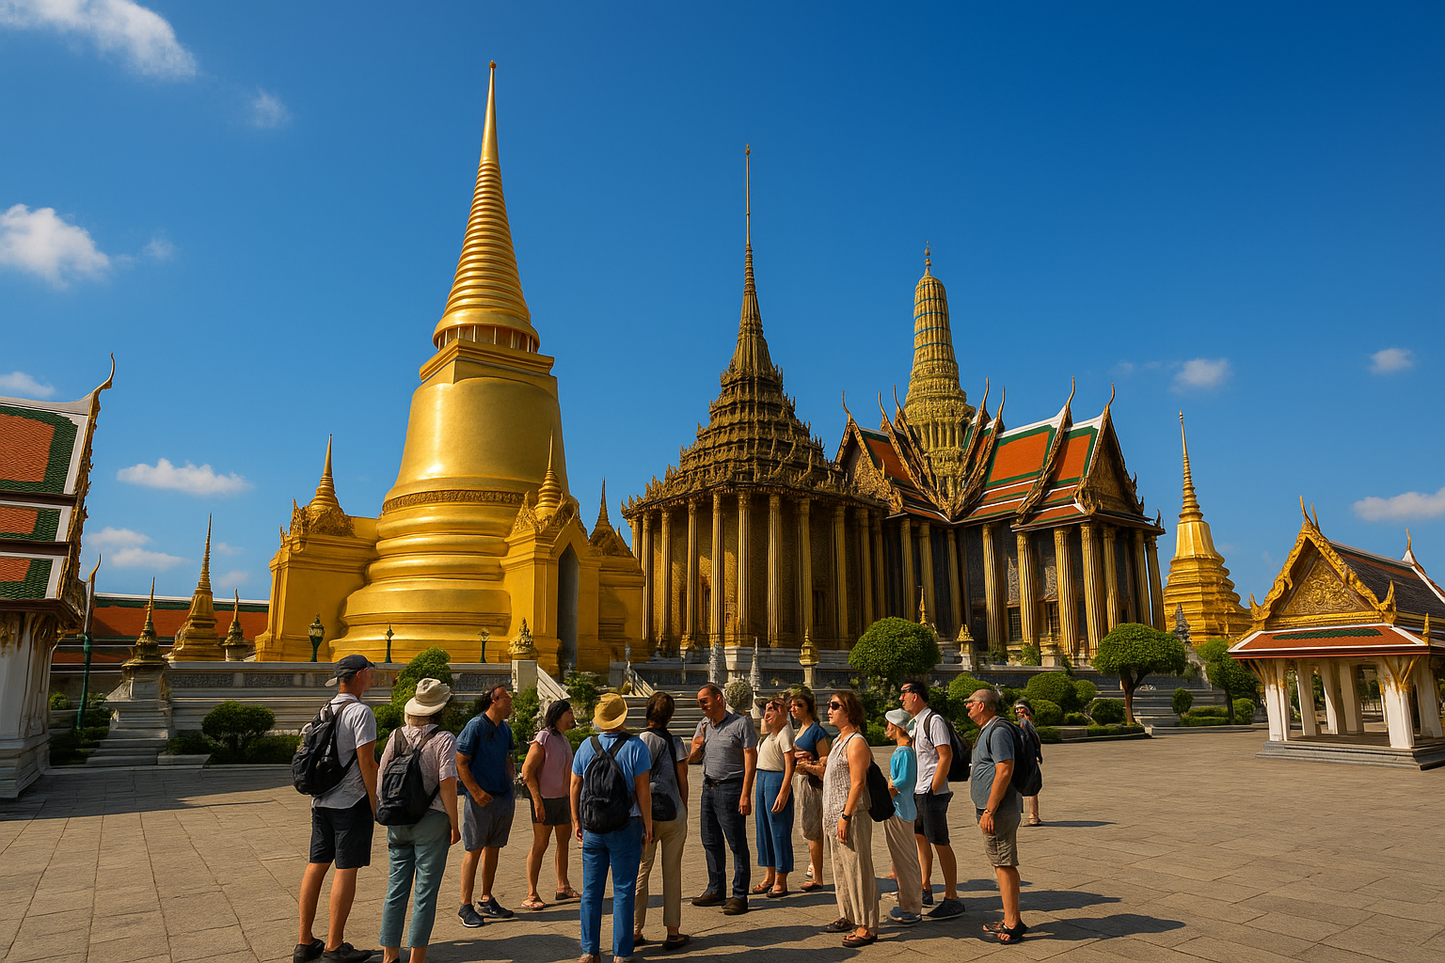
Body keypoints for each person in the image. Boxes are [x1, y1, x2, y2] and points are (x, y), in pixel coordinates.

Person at [295, 654, 379, 963]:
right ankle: (334, 945)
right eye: (370, 672)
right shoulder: (360, 712)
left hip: (321, 801)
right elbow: (367, 763)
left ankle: (305, 942)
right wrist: (375, 804)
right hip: (350, 801)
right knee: (346, 868)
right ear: (359, 675)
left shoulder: (325, 709)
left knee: (316, 865)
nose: (372, 677)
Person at [377, 679, 461, 963]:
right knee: (425, 892)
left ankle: (389, 956)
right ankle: (416, 958)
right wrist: (454, 822)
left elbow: (381, 778)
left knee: (395, 889)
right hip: (432, 820)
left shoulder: (396, 735)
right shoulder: (444, 739)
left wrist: (388, 809)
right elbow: (447, 783)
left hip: (398, 820)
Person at [571, 693, 653, 963]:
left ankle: (589, 951)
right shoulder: (636, 746)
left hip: (593, 826)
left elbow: (575, 785)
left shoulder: (586, 746)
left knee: (591, 892)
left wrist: (576, 820)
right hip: (626, 825)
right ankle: (622, 954)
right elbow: (643, 791)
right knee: (624, 891)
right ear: (622, 718)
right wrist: (648, 826)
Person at [688, 682, 757, 915]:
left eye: (704, 701)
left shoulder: (741, 723)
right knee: (710, 840)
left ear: (719, 699)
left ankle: (740, 895)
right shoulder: (703, 725)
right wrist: (696, 746)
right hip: (708, 787)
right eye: (699, 703)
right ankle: (716, 888)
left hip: (731, 788)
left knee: (736, 843)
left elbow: (750, 759)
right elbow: (693, 758)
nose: (701, 706)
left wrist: (746, 793)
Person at [965, 688, 1025, 944]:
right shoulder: (988, 729)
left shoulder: (998, 731)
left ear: (982, 705)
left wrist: (990, 809)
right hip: (993, 808)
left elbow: (1004, 769)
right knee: (1001, 862)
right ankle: (1011, 917)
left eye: (970, 702)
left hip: (998, 809)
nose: (967, 706)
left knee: (1004, 863)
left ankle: (1012, 923)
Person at [818, 690, 879, 947]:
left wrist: (846, 815)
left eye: (835, 706)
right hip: (834, 816)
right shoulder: (838, 741)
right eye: (829, 705)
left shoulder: (856, 742)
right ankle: (849, 914)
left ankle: (867, 925)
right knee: (841, 869)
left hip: (851, 816)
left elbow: (858, 782)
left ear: (849, 711)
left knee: (858, 870)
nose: (829, 710)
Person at [899, 680, 964, 919]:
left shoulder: (933, 720)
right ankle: (925, 887)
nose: (901, 698)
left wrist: (933, 788)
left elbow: (945, 755)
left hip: (931, 792)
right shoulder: (914, 722)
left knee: (939, 842)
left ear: (915, 695)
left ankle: (952, 898)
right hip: (917, 790)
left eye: (904, 693)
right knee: (920, 838)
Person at [455, 684, 516, 926]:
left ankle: (486, 898)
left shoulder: (505, 729)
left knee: (494, 848)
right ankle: (465, 905)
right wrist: (475, 791)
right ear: (494, 700)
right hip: (479, 799)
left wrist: (510, 777)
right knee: (474, 849)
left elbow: (507, 757)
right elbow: (461, 762)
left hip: (502, 797)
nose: (510, 702)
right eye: (506, 698)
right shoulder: (476, 726)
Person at [634, 691, 691, 950]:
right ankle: (673, 931)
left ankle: (635, 930)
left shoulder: (639, 741)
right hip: (672, 811)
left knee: (641, 871)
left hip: (646, 814)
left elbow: (637, 779)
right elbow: (683, 777)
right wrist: (683, 806)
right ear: (671, 715)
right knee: (672, 872)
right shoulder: (675, 741)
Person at [521, 699, 578, 910]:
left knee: (564, 841)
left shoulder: (563, 739)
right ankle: (531, 893)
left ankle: (563, 886)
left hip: (562, 798)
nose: (572, 717)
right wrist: (537, 800)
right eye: (569, 712)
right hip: (544, 799)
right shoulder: (543, 737)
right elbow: (527, 771)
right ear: (558, 715)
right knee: (540, 844)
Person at [881, 708, 924, 926]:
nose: (886, 728)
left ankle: (912, 907)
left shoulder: (904, 752)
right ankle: (907, 902)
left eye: (888, 724)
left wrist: (885, 793)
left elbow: (903, 781)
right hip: (900, 809)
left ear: (896, 726)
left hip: (900, 810)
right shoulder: (904, 749)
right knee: (901, 860)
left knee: (905, 860)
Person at [752, 698, 795, 897]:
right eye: (766, 710)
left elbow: (790, 764)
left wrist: (784, 791)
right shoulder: (769, 736)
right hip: (762, 778)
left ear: (782, 712)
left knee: (778, 830)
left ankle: (781, 878)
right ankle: (769, 874)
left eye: (771, 709)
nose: (766, 714)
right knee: (764, 829)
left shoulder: (785, 733)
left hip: (776, 780)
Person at [789, 688, 830, 891]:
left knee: (814, 829)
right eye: (792, 706)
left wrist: (810, 762)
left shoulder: (816, 731)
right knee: (807, 827)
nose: (794, 709)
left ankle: (818, 876)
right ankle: (813, 867)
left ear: (809, 707)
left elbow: (825, 760)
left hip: (814, 784)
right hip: (802, 781)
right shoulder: (798, 730)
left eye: (799, 705)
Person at [1013, 700, 1043, 826]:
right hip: (1027, 758)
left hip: (1026, 759)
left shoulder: (1026, 724)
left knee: (1026, 788)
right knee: (1030, 788)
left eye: (1023, 711)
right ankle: (1032, 815)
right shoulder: (1024, 724)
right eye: (1018, 711)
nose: (1020, 713)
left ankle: (1032, 816)